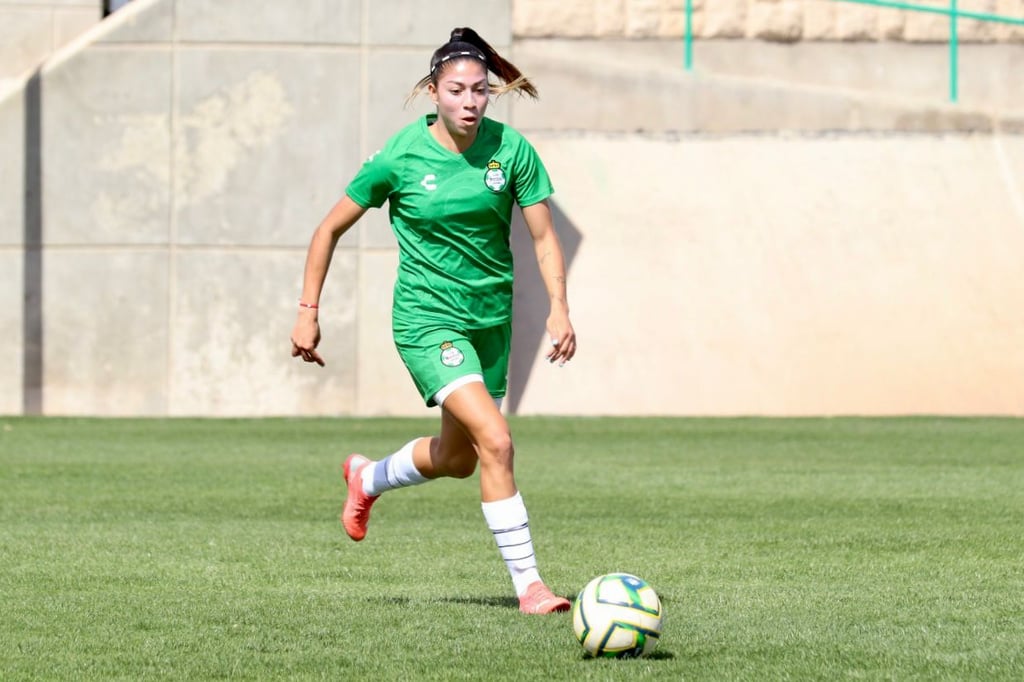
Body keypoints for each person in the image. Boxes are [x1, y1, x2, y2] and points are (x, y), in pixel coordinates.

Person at [290, 27, 577, 615]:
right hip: (427, 321)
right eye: (456, 91)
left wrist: (560, 307)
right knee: (497, 441)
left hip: (488, 320)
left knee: (459, 458)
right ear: (432, 92)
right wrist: (308, 311)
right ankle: (532, 586)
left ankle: (367, 479)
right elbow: (328, 230)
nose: (470, 102)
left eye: (480, 91)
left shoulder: (511, 150)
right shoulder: (400, 155)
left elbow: (544, 237)